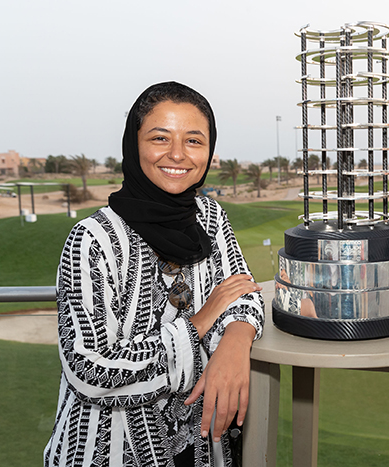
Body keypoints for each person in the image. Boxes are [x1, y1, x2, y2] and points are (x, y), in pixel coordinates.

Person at [44, 82, 264, 466]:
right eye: (160, 137)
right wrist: (198, 323)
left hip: (200, 447)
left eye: (194, 141)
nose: (178, 154)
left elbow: (243, 291)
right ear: (134, 143)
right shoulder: (93, 238)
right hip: (109, 449)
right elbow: (90, 372)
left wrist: (235, 341)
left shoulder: (208, 216)